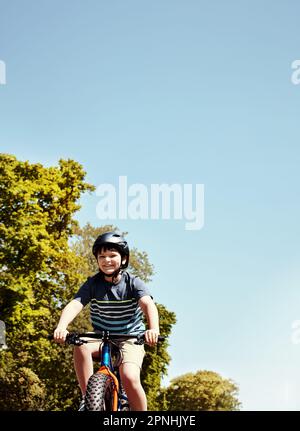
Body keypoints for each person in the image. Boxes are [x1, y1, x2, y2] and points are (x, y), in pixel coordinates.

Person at [53, 231, 160, 411]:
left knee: (129, 377)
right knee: (81, 345)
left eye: (112, 255)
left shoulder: (133, 283)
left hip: (130, 338)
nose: (107, 260)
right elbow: (75, 304)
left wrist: (153, 329)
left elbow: (148, 304)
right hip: (101, 337)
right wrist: (61, 327)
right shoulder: (93, 284)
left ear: (124, 259)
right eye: (102, 256)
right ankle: (88, 398)